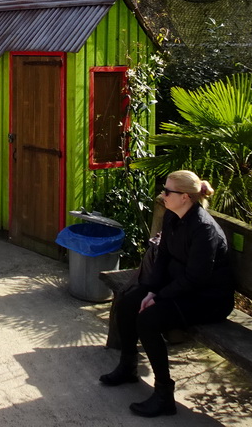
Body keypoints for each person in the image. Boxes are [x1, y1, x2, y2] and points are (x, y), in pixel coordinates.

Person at [99, 170, 234, 418]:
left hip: (208, 299)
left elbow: (197, 278)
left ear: (185, 197)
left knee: (148, 320)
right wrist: (150, 290)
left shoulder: (204, 230)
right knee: (129, 303)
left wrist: (158, 298)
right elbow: (163, 257)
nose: (163, 194)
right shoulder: (172, 216)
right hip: (181, 288)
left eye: (168, 191)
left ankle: (164, 395)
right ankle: (128, 365)